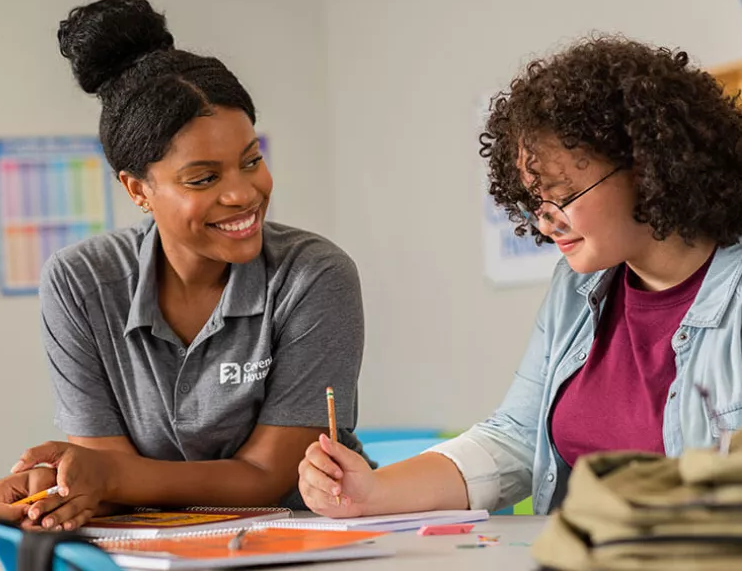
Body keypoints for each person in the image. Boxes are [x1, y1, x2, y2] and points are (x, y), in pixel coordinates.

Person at [299, 36, 742, 517]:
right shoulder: (577, 289)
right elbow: (516, 437)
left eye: (563, 194)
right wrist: (374, 491)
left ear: (648, 167)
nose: (545, 222)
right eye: (534, 200)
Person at [0, 0, 369, 531]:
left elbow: (266, 476)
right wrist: (57, 489)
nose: (243, 194)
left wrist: (106, 478)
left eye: (251, 160)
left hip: (302, 540)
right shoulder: (79, 283)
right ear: (137, 189)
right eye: (204, 178)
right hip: (154, 549)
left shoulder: (314, 277)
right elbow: (106, 476)